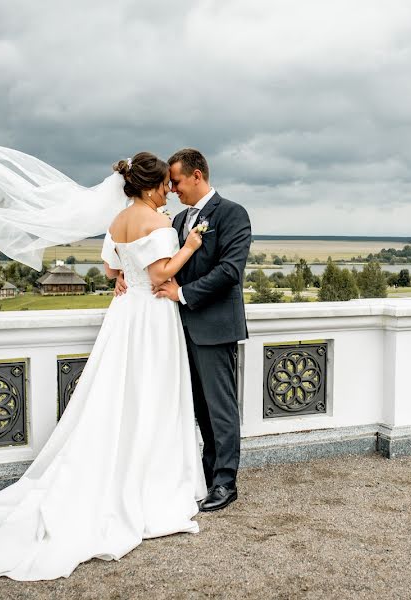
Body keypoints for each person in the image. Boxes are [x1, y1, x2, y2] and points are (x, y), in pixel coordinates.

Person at [0, 150, 209, 581]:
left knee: (119, 394)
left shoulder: (118, 222)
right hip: (153, 318)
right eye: (165, 184)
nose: (169, 191)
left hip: (123, 317)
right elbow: (162, 274)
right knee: (153, 394)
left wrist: (125, 275)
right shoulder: (159, 223)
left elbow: (110, 268)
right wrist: (190, 246)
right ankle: (152, 481)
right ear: (149, 186)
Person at [117, 148, 251, 512]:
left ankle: (226, 482)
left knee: (221, 408)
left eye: (176, 181)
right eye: (168, 183)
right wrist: (123, 278)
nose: (172, 189)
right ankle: (205, 475)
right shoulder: (175, 222)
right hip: (175, 331)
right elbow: (159, 263)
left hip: (214, 326)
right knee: (197, 410)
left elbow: (230, 271)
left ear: (197, 175)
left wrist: (183, 293)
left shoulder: (232, 214)